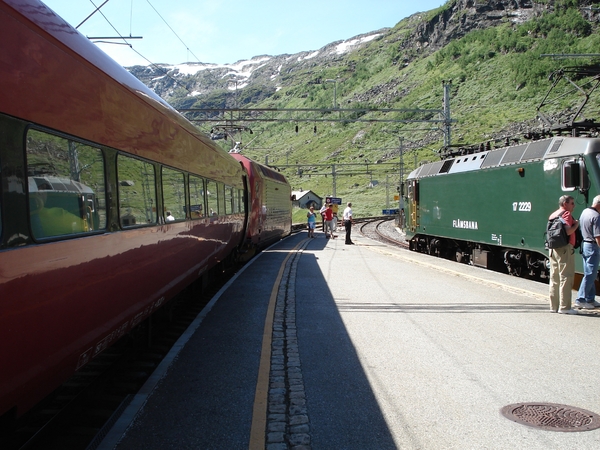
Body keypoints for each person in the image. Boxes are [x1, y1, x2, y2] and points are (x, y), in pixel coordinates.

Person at [548, 195, 579, 314]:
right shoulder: (566, 214)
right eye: (572, 203)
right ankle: (565, 307)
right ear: (565, 204)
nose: (574, 206)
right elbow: (568, 231)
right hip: (564, 249)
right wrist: (576, 224)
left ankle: (553, 306)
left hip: (553, 249)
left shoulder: (553, 215)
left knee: (554, 278)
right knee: (566, 276)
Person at [575, 195, 600, 309]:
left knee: (589, 273)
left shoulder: (585, 212)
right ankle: (581, 299)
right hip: (593, 246)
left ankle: (590, 298)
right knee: (591, 274)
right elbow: (598, 236)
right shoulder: (596, 216)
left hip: (585, 244)